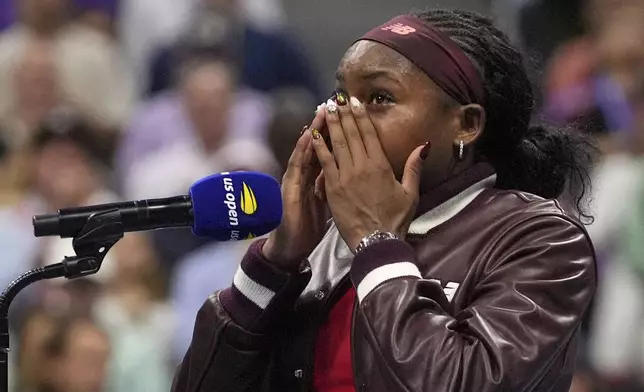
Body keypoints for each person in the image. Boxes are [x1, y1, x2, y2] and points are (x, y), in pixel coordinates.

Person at [172, 8, 597, 392]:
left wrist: (377, 245)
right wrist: (272, 265)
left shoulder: (540, 238)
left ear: (466, 124)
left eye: (379, 98)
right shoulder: (324, 237)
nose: (341, 116)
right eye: (340, 96)